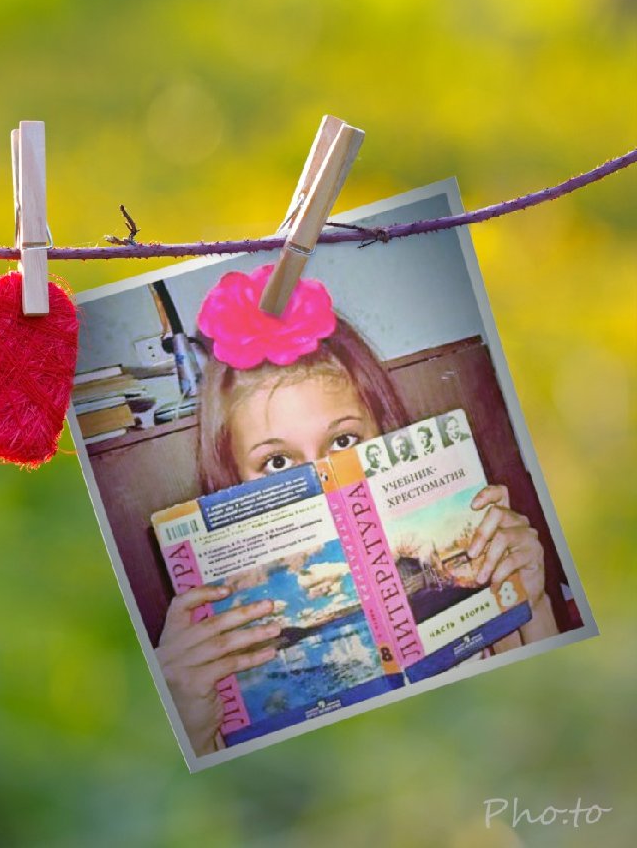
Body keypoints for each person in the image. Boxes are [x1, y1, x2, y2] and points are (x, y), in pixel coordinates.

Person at [156, 266, 556, 756]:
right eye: (277, 462)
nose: (322, 480)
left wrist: (530, 604)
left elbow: (548, 730)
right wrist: (187, 723)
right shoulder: (225, 671)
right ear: (230, 480)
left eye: (344, 441)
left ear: (385, 433)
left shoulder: (464, 571)